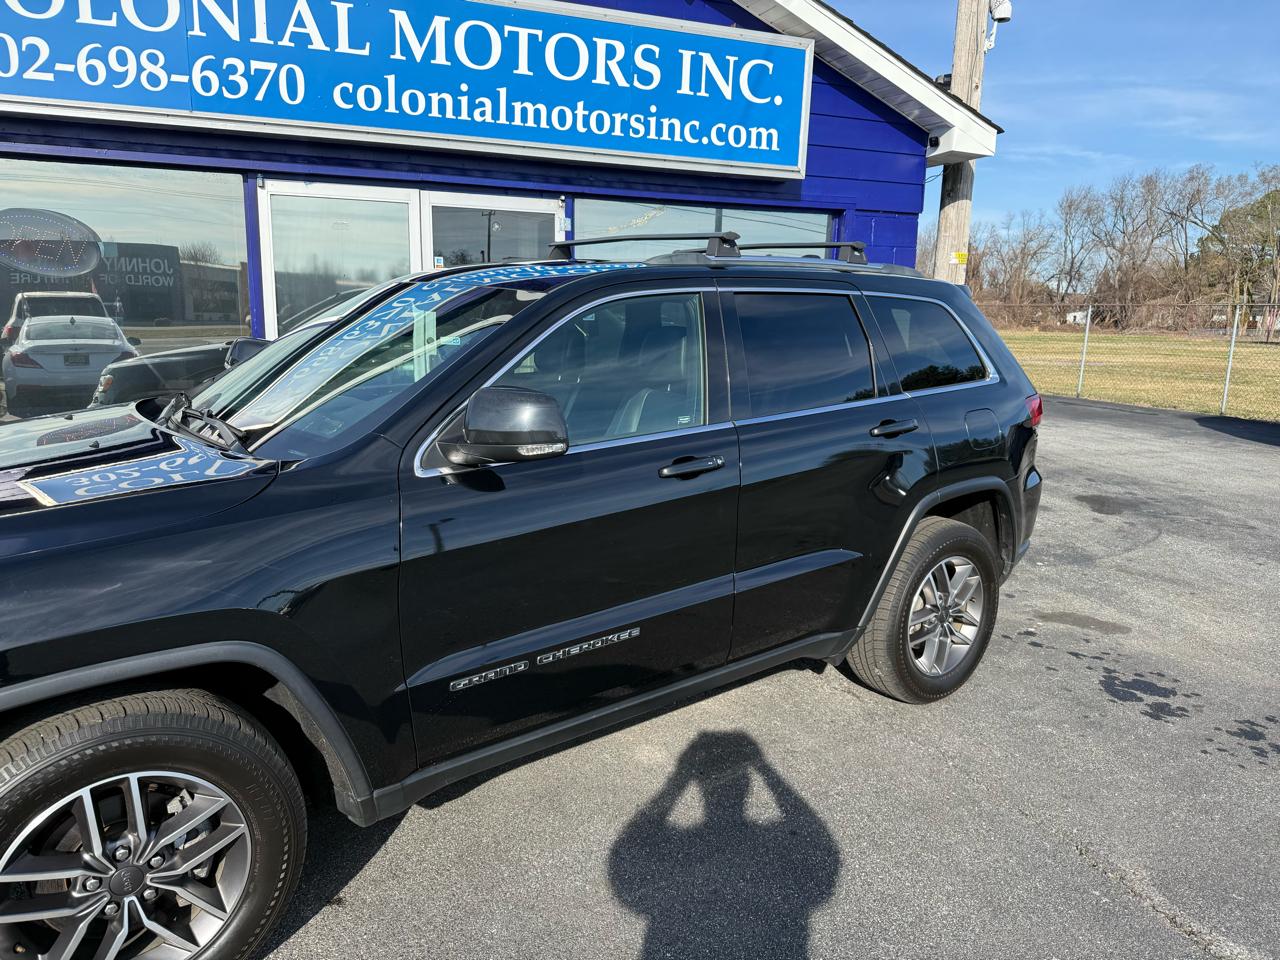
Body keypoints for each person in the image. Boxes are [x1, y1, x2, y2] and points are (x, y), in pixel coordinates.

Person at [609, 730, 840, 959]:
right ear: (748, 786)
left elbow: (629, 849)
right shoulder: (782, 864)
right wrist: (765, 770)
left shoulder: (682, 852)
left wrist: (680, 778)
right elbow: (819, 845)